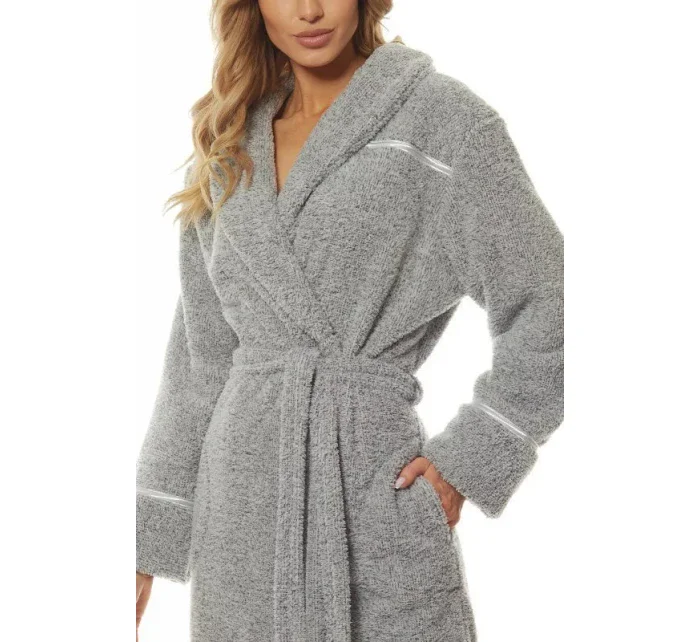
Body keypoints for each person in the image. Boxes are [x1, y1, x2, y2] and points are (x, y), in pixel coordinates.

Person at [135, 1, 565, 640]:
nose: (309, 10)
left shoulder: (444, 122)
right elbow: (200, 365)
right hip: (240, 516)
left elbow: (552, 299)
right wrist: (148, 538)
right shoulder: (228, 141)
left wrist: (471, 459)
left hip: (373, 491)